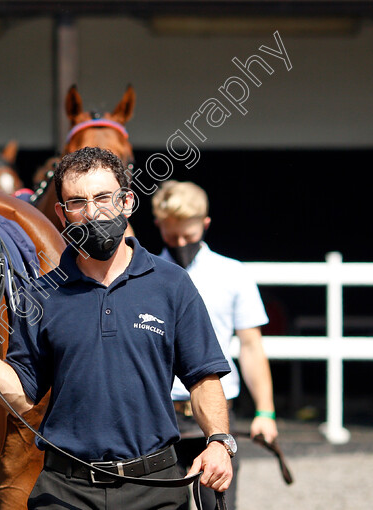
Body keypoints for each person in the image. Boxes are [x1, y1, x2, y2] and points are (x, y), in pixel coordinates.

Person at [0, 147, 234, 509]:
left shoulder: (171, 284)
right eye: (78, 202)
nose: (92, 213)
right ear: (62, 214)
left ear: (127, 202)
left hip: (156, 488)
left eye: (104, 198)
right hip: (65, 490)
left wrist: (218, 441)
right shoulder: (40, 297)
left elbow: (203, 379)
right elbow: (20, 397)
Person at [152, 180, 277, 510]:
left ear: (205, 225)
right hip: (160, 415)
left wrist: (265, 411)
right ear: (158, 226)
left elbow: (251, 346)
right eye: (171, 235)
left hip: (218, 412)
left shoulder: (232, 274)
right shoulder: (145, 274)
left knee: (219, 506)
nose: (180, 244)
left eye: (189, 236)